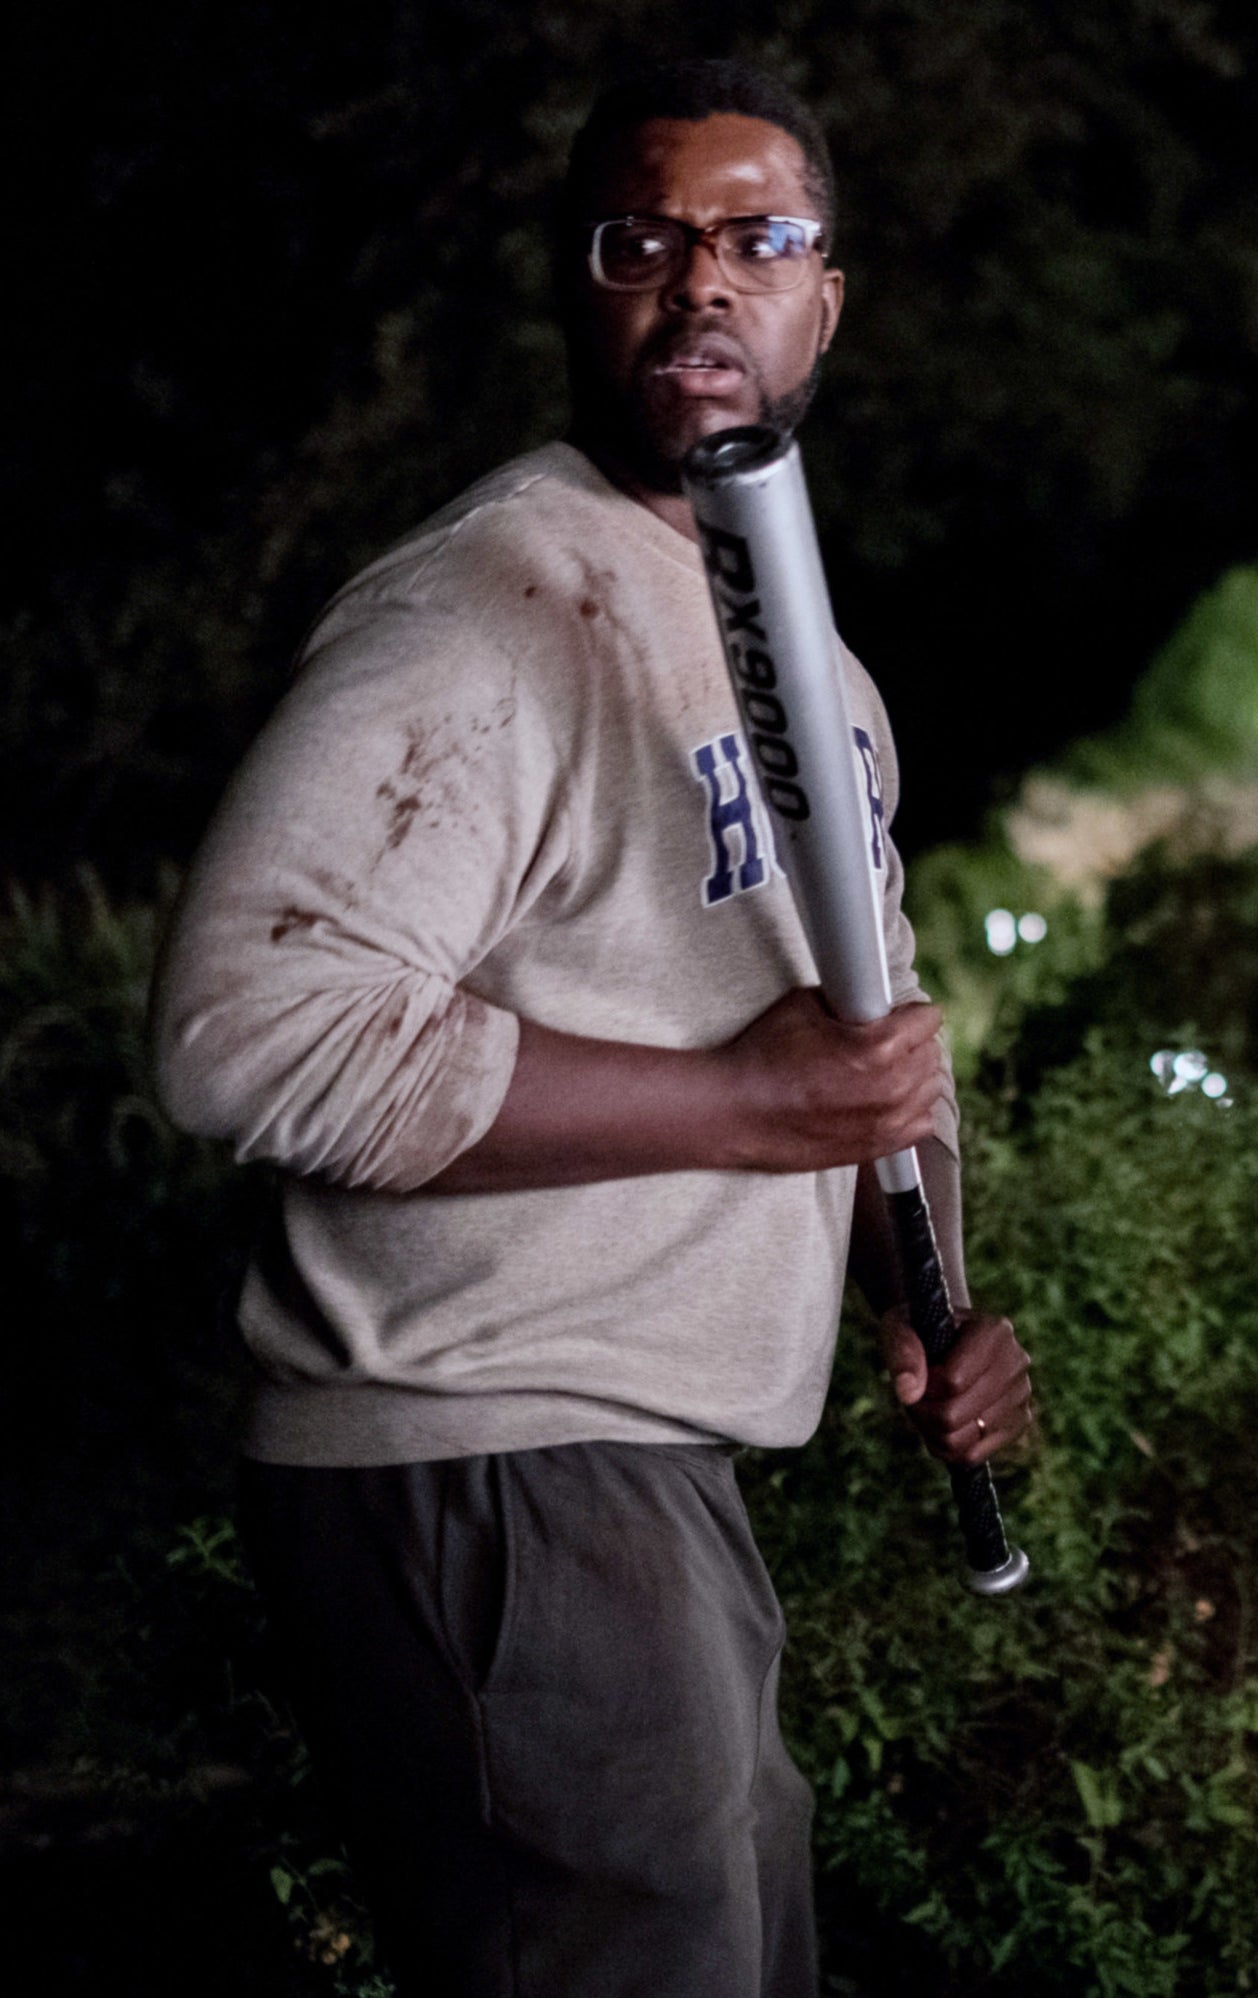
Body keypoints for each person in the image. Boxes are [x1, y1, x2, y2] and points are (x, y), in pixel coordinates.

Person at [152, 57, 1031, 1998]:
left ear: (825, 295)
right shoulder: (490, 611)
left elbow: (863, 1046)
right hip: (481, 1455)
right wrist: (738, 1104)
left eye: (759, 239)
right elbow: (242, 1028)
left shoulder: (806, 669)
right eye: (644, 241)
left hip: (649, 1472)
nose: (699, 285)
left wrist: (923, 1280)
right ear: (579, 289)